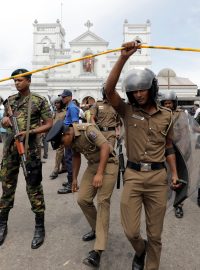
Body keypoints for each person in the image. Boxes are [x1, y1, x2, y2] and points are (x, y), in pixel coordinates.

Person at [104, 41, 179, 270]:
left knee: (155, 235)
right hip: (133, 177)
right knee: (132, 231)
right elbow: (109, 90)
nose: (138, 94)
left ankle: (151, 266)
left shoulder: (167, 116)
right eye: (134, 91)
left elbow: (169, 147)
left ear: (152, 88)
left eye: (142, 89)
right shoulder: (127, 111)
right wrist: (123, 58)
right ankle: (140, 250)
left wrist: (174, 174)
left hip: (157, 180)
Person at [46, 121, 118, 268]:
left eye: (61, 142)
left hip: (109, 162)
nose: (63, 146)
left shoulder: (87, 130)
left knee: (103, 201)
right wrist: (74, 179)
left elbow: (105, 146)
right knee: (83, 199)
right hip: (93, 165)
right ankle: (97, 228)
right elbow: (76, 156)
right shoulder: (70, 140)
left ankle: (98, 250)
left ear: (66, 133)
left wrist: (99, 173)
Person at [0, 68, 53, 248]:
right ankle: (2, 224)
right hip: (10, 151)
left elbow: (49, 124)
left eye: (20, 80)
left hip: (29, 151)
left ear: (29, 81)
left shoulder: (38, 101)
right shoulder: (10, 101)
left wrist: (29, 132)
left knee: (34, 186)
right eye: (14, 80)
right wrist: (5, 121)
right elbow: (4, 120)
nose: (16, 83)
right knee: (6, 186)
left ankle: (40, 226)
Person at [160, 91, 190, 218]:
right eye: (165, 103)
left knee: (181, 176)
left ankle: (179, 204)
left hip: (180, 148)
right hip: (165, 149)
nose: (167, 105)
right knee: (165, 175)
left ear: (174, 103)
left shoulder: (181, 114)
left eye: (170, 102)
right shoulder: (159, 114)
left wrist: (184, 148)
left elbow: (185, 131)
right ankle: (162, 201)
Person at [57, 89, 79, 194]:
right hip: (67, 135)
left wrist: (71, 140)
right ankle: (70, 181)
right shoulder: (69, 106)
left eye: (64, 97)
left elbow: (75, 124)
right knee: (68, 158)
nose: (62, 99)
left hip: (70, 136)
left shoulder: (72, 107)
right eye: (62, 97)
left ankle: (71, 184)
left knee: (69, 159)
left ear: (70, 97)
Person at [49, 97, 66, 179]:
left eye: (58, 103)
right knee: (59, 151)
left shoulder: (65, 113)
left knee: (59, 151)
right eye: (55, 103)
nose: (56, 104)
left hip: (62, 135)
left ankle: (56, 169)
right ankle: (64, 166)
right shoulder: (54, 113)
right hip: (55, 135)